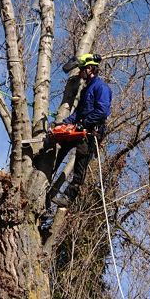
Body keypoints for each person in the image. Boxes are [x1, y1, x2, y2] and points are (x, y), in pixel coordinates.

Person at [51, 53, 112, 208]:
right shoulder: (86, 90)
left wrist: (84, 123)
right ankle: (46, 178)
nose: (80, 73)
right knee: (59, 149)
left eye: (82, 69)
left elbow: (102, 111)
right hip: (79, 128)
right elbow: (78, 112)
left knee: (80, 164)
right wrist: (63, 123)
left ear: (90, 69)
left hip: (91, 132)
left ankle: (68, 197)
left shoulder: (101, 87)